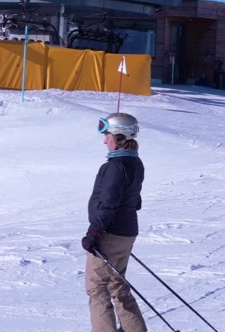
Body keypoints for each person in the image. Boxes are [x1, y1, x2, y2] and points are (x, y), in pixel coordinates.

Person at [83, 112, 146, 332]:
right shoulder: (135, 163)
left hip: (109, 233)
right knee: (117, 285)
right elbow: (135, 201)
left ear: (119, 136)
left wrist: (94, 233)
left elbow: (109, 203)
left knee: (97, 287)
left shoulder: (115, 166)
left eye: (107, 134)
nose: (104, 140)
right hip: (127, 232)